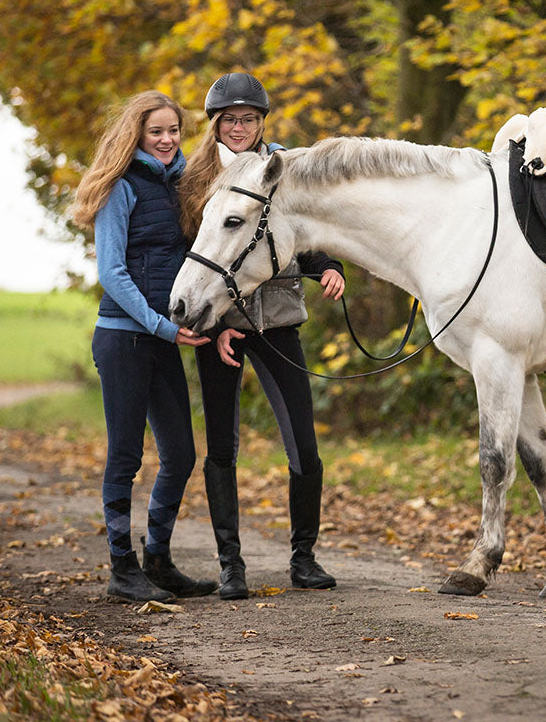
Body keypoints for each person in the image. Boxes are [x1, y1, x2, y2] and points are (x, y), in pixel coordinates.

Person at [179, 73, 345, 600]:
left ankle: (304, 558)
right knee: (223, 445)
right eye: (230, 119)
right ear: (216, 125)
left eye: (248, 119)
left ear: (261, 122)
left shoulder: (283, 169)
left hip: (276, 321)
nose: (239, 127)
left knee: (304, 445)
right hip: (219, 330)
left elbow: (300, 228)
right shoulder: (195, 178)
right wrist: (220, 324)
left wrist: (327, 264)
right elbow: (200, 251)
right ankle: (231, 565)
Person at [71, 90, 216, 603]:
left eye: (173, 130)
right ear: (137, 134)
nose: (167, 139)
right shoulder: (120, 188)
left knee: (180, 453)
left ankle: (157, 558)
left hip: (163, 338)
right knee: (126, 456)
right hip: (124, 339)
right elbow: (111, 272)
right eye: (156, 131)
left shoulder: (183, 185)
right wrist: (162, 327)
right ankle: (121, 567)